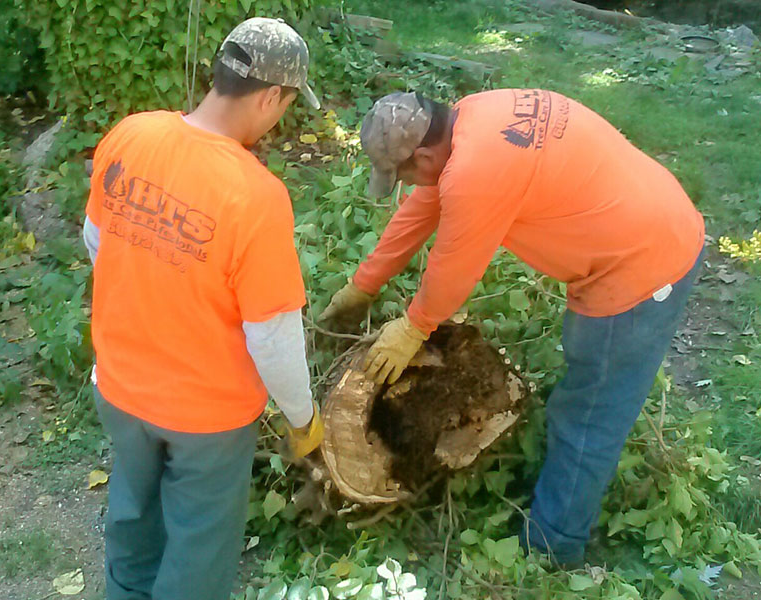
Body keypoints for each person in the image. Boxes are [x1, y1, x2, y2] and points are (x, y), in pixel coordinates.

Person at [320, 89, 705, 567]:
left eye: (401, 174)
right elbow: (424, 205)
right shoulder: (472, 117)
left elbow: (455, 266)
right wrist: (365, 284)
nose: (405, 184)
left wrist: (415, 326)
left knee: (590, 413)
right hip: (652, 214)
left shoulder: (475, 171)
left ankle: (551, 551)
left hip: (641, 266)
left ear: (422, 154)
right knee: (583, 405)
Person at [82, 18, 322, 600]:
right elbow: (272, 336)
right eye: (286, 103)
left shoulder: (132, 135)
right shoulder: (256, 196)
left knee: (133, 520)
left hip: (119, 387)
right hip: (206, 421)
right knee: (198, 553)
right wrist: (302, 420)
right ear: (270, 96)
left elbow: (96, 238)